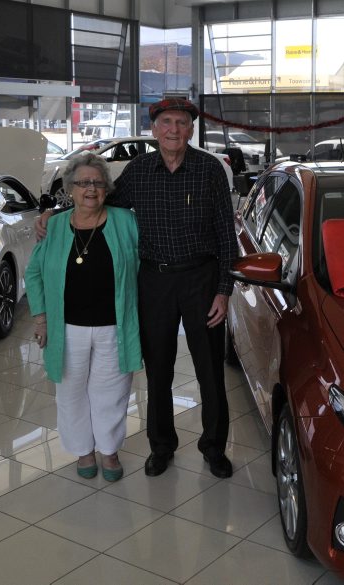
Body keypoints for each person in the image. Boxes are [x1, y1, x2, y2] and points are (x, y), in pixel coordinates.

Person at [37, 97, 238, 479]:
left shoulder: (210, 170)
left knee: (210, 370)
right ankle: (161, 446)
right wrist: (55, 210)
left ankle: (214, 446)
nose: (173, 129)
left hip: (202, 279)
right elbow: (95, 197)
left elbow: (226, 234)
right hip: (155, 281)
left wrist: (223, 290)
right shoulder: (139, 170)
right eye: (166, 122)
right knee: (158, 369)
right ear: (154, 129)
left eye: (181, 122)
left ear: (191, 129)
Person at [25, 152, 142, 482]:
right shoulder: (55, 225)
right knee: (71, 392)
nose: (90, 189)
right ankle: (83, 450)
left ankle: (108, 450)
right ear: (70, 189)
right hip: (67, 328)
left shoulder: (126, 221)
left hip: (114, 327)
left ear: (107, 188)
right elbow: (33, 273)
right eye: (83, 183)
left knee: (112, 392)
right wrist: (41, 319)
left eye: (97, 182)